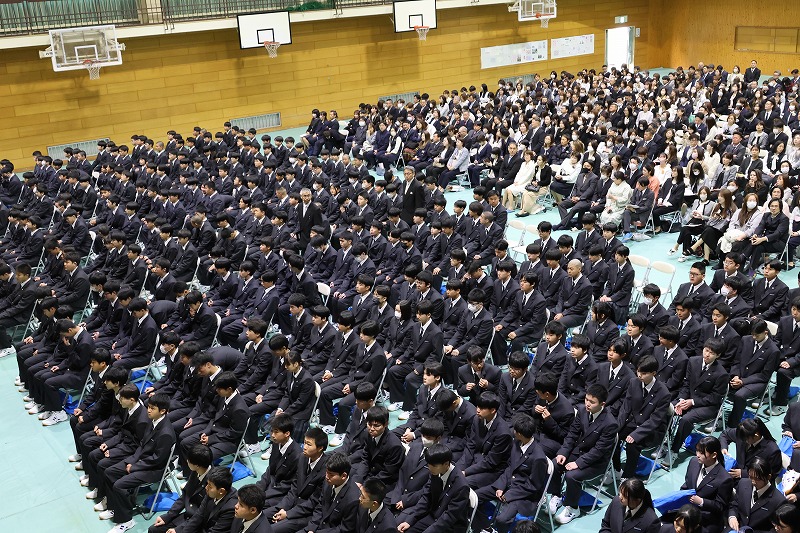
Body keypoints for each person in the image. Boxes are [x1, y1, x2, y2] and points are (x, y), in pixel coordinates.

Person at [95, 393, 176, 533]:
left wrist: (135, 466)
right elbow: (142, 444)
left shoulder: (166, 433)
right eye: (148, 407)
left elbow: (157, 459)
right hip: (141, 460)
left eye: (152, 408)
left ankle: (126, 520)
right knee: (109, 472)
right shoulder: (153, 420)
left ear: (163, 411)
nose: (148, 410)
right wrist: (132, 460)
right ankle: (114, 507)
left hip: (154, 469)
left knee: (119, 485)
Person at [553, 384, 619, 525]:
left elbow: (598, 451)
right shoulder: (582, 411)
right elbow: (572, 434)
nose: (587, 404)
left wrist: (577, 463)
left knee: (572, 476)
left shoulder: (610, 424)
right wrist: (563, 452)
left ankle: (573, 508)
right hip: (580, 451)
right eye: (586, 399)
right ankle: (556, 495)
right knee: (555, 464)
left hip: (597, 461)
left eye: (592, 402)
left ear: (602, 404)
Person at [474, 414, 549, 533]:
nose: (513, 431)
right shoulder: (517, 442)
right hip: (507, 484)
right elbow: (510, 467)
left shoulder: (538, 458)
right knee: (473, 498)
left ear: (520, 433)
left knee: (502, 520)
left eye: (515, 430)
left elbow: (534, 486)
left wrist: (509, 494)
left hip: (523, 494)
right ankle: (487, 528)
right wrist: (500, 486)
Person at [396, 444, 470, 533]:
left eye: (434, 466)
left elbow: (450, 517)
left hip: (450, 526)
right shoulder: (435, 472)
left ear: (446, 464)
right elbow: (426, 498)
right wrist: (410, 520)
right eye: (429, 464)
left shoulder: (461, 486)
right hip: (433, 516)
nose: (430, 468)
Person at [148, 444, 213, 533]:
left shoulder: (213, 483)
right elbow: (185, 495)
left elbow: (202, 515)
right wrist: (168, 516)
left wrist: (178, 530)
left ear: (197, 465)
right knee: (153, 530)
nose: (187, 461)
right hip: (188, 516)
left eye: (189, 460)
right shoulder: (196, 471)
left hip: (198, 524)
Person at [679, 436, 734, 533]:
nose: (698, 455)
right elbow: (687, 484)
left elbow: (720, 506)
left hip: (707, 518)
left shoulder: (725, 479)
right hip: (688, 510)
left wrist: (701, 501)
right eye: (697, 451)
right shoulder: (693, 462)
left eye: (701, 453)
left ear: (714, 455)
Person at [727, 457, 786, 533]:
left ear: (768, 477)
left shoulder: (779, 501)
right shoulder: (743, 483)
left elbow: (776, 529)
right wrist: (732, 517)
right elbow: (734, 505)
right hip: (737, 529)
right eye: (750, 477)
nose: (753, 482)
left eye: (757, 479)